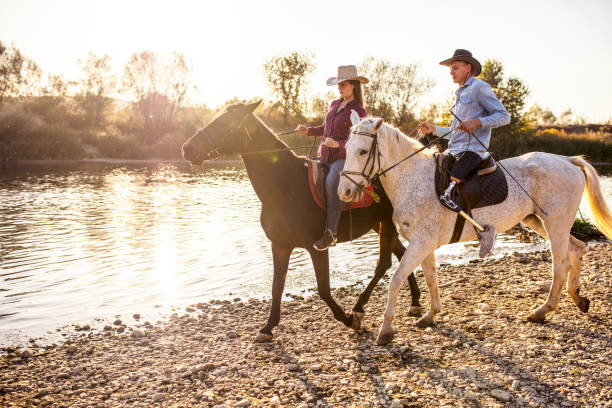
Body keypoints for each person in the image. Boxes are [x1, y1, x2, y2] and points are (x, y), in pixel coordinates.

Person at [418, 49, 511, 211]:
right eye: (450, 69)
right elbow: (456, 131)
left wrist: (477, 122)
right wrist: (434, 129)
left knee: (456, 173)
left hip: (474, 151)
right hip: (454, 150)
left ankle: (451, 197)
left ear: (468, 68)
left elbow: (504, 116)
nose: (451, 73)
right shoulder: (460, 93)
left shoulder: (480, 88)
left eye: (455, 68)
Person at [296, 65, 368, 251]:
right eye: (338, 84)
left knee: (330, 182)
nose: (340, 87)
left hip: (343, 158)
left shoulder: (358, 110)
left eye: (343, 84)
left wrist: (338, 144)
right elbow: (325, 128)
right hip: (324, 155)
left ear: (354, 85)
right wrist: (308, 131)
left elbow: (361, 139)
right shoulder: (335, 104)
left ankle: (331, 233)